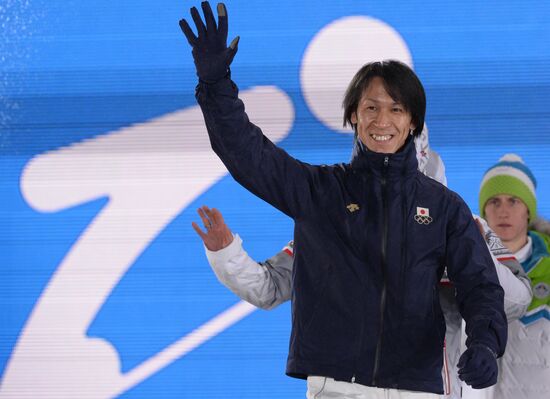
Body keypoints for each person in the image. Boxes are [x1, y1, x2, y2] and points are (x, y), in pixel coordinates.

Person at [179, 3, 507, 397]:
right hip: (336, 388)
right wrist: (216, 86)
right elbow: (249, 156)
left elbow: (481, 287)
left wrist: (486, 343)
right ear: (353, 115)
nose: (382, 121)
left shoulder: (444, 208)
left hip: (415, 390)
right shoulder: (320, 192)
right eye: (370, 108)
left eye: (396, 109)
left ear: (413, 122)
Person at [192, 143, 532, 399]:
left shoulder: (461, 224)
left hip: (436, 388)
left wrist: (465, 258)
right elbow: (269, 288)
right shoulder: (332, 224)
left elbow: (516, 300)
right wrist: (227, 254)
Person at [477, 154, 550, 399]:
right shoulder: (464, 262)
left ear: (528, 210)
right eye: (494, 201)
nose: (504, 211)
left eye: (514, 201)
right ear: (484, 211)